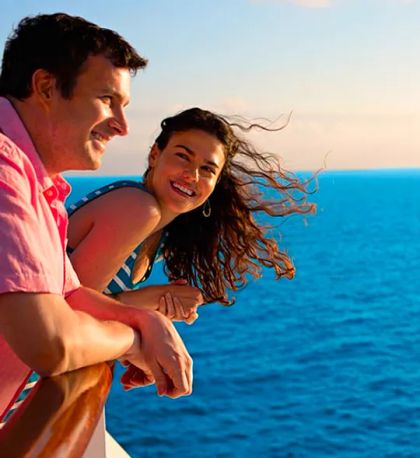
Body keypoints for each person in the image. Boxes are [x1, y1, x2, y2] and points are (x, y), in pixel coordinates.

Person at [0, 13, 193, 406]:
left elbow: (69, 293)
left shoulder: (38, 182)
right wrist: (133, 341)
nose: (122, 126)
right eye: (107, 100)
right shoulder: (5, 171)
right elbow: (52, 344)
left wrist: (147, 319)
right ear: (46, 87)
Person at [66, 107, 315, 328]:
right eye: (183, 156)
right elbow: (65, 312)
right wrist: (147, 304)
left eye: (207, 169)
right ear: (155, 155)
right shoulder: (137, 207)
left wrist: (144, 329)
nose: (192, 175)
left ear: (216, 184)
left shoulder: (159, 236)